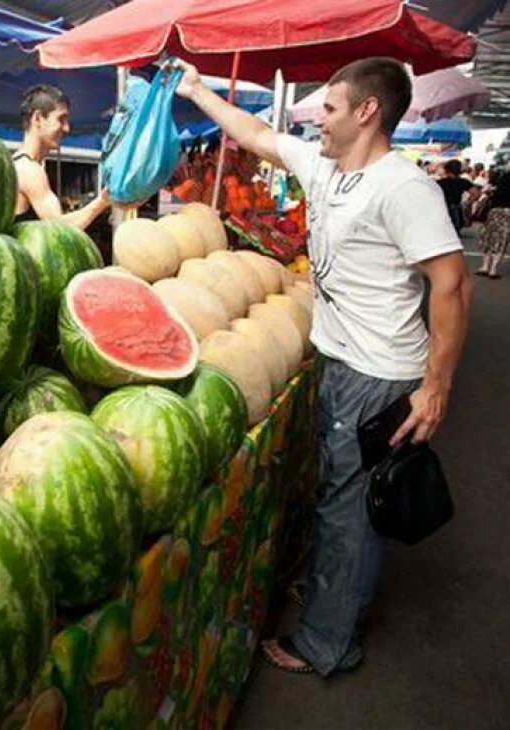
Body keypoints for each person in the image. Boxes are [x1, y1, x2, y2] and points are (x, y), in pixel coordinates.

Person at [172, 55, 473, 676]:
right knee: (343, 493)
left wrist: (436, 387)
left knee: (349, 507)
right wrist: (198, 89)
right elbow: (255, 135)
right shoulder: (327, 168)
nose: (319, 121)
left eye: (330, 108)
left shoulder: (404, 187)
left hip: (379, 372)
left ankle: (327, 642)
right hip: (344, 363)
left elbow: (453, 285)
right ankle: (338, 594)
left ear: (367, 112)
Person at [13, 84, 110, 229]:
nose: (67, 128)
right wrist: (104, 200)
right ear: (38, 118)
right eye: (61, 119)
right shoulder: (29, 171)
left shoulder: (20, 164)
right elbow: (60, 230)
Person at [475, 162, 510, 278]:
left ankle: (485, 266)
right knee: (502, 240)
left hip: (494, 212)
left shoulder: (501, 178)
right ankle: (493, 269)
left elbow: (491, 192)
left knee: (489, 238)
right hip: (508, 213)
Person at [437, 159, 473, 233]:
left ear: (446, 170)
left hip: (444, 209)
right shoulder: (464, 182)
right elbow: (476, 193)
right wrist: (468, 202)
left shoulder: (440, 182)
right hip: (457, 208)